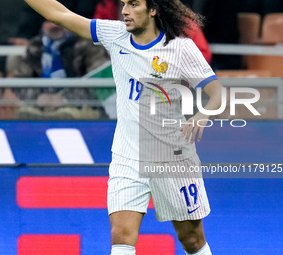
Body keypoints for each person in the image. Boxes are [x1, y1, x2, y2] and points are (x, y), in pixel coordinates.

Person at [23, 0, 224, 254]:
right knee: (121, 235)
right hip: (127, 156)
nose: (125, 11)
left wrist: (202, 115)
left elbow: (216, 92)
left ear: (153, 9)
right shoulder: (115, 34)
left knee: (192, 239)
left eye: (134, 4)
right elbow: (60, 14)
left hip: (172, 158)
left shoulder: (180, 48)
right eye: (124, 4)